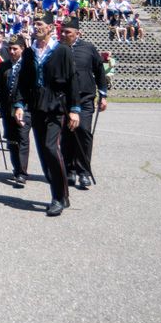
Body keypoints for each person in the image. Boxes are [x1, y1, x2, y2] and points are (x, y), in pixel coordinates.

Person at [11, 13, 83, 217]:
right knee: (43, 152)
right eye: (34, 24)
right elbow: (23, 82)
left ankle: (57, 197)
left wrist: (75, 110)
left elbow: (72, 81)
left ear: (51, 27)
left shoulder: (62, 50)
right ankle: (62, 193)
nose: (36, 27)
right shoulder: (29, 53)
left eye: (40, 24)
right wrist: (19, 104)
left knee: (52, 148)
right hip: (36, 107)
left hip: (56, 108)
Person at [60, 16, 108, 191]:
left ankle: (83, 171)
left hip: (85, 98)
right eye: (62, 31)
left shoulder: (88, 48)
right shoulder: (58, 48)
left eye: (68, 32)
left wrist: (103, 95)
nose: (64, 34)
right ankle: (69, 169)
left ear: (77, 33)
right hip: (64, 100)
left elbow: (99, 71)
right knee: (67, 135)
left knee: (83, 132)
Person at [0, 36, 31, 186]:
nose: (12, 51)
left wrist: (21, 105)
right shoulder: (3, 66)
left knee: (22, 139)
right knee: (11, 140)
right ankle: (17, 168)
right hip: (6, 109)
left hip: (24, 109)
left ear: (22, 49)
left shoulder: (28, 66)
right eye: (10, 48)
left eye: (15, 48)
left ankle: (22, 173)